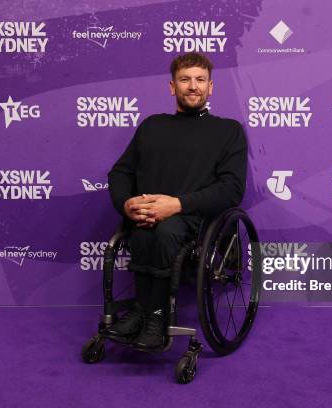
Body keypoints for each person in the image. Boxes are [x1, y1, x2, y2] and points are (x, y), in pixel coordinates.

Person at [105, 52, 248, 349]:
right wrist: (126, 203)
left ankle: (153, 317)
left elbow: (232, 189)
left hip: (194, 219)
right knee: (144, 228)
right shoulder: (152, 126)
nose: (192, 86)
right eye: (185, 80)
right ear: (173, 87)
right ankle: (142, 312)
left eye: (200, 80)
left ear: (211, 88)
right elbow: (121, 172)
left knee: (166, 231)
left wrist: (177, 205)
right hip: (148, 215)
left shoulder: (228, 131)